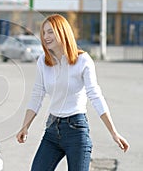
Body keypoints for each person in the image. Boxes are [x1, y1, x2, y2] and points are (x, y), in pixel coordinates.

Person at [16, 14, 129, 171]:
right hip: (52, 130)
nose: (45, 37)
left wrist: (114, 133)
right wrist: (25, 126)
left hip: (76, 131)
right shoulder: (43, 61)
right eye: (44, 33)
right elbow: (37, 94)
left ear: (62, 32)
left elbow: (95, 96)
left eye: (50, 32)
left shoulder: (83, 60)